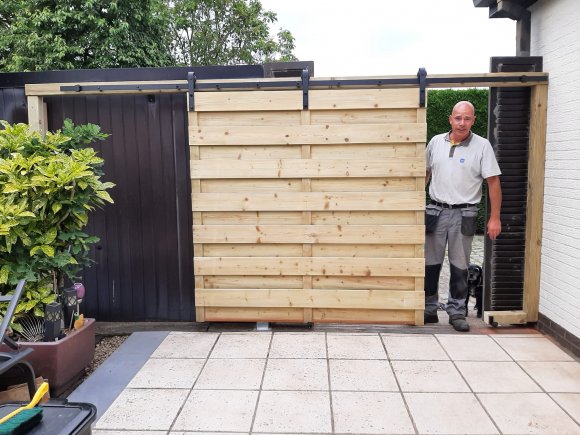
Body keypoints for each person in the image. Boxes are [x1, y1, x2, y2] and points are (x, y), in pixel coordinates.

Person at [424, 101, 502, 332]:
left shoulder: (482, 146)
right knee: (430, 263)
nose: (462, 123)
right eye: (458, 118)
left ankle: (457, 311)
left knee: (460, 265)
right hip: (435, 211)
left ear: (473, 120)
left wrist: (495, 217)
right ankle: (429, 308)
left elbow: (493, 182)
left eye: (467, 118)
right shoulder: (435, 142)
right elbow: (425, 173)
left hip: (464, 212)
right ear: (450, 119)